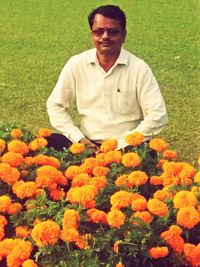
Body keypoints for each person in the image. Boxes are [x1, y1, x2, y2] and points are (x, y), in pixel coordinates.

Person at [46, 5, 168, 152]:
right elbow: (55, 105)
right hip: (88, 144)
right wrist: (79, 139)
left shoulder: (139, 68)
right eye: (99, 31)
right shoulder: (76, 64)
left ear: (124, 35)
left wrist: (122, 144)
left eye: (112, 32)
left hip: (127, 147)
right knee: (46, 142)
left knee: (141, 161)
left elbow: (158, 115)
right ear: (92, 35)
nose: (105, 37)